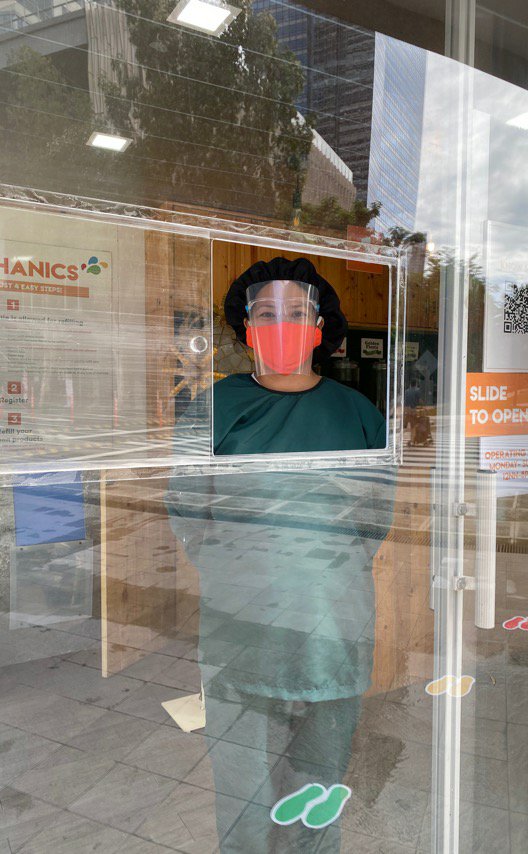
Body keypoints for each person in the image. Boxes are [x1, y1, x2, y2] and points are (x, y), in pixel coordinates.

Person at [165, 257, 394, 852]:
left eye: (297, 312)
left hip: (333, 630)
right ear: (246, 327)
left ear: (320, 327)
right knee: (242, 792)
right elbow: (186, 511)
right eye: (266, 313)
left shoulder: (358, 415)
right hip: (240, 633)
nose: (282, 324)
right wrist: (244, 573)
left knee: (318, 790)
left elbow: (375, 520)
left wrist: (320, 574)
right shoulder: (212, 409)